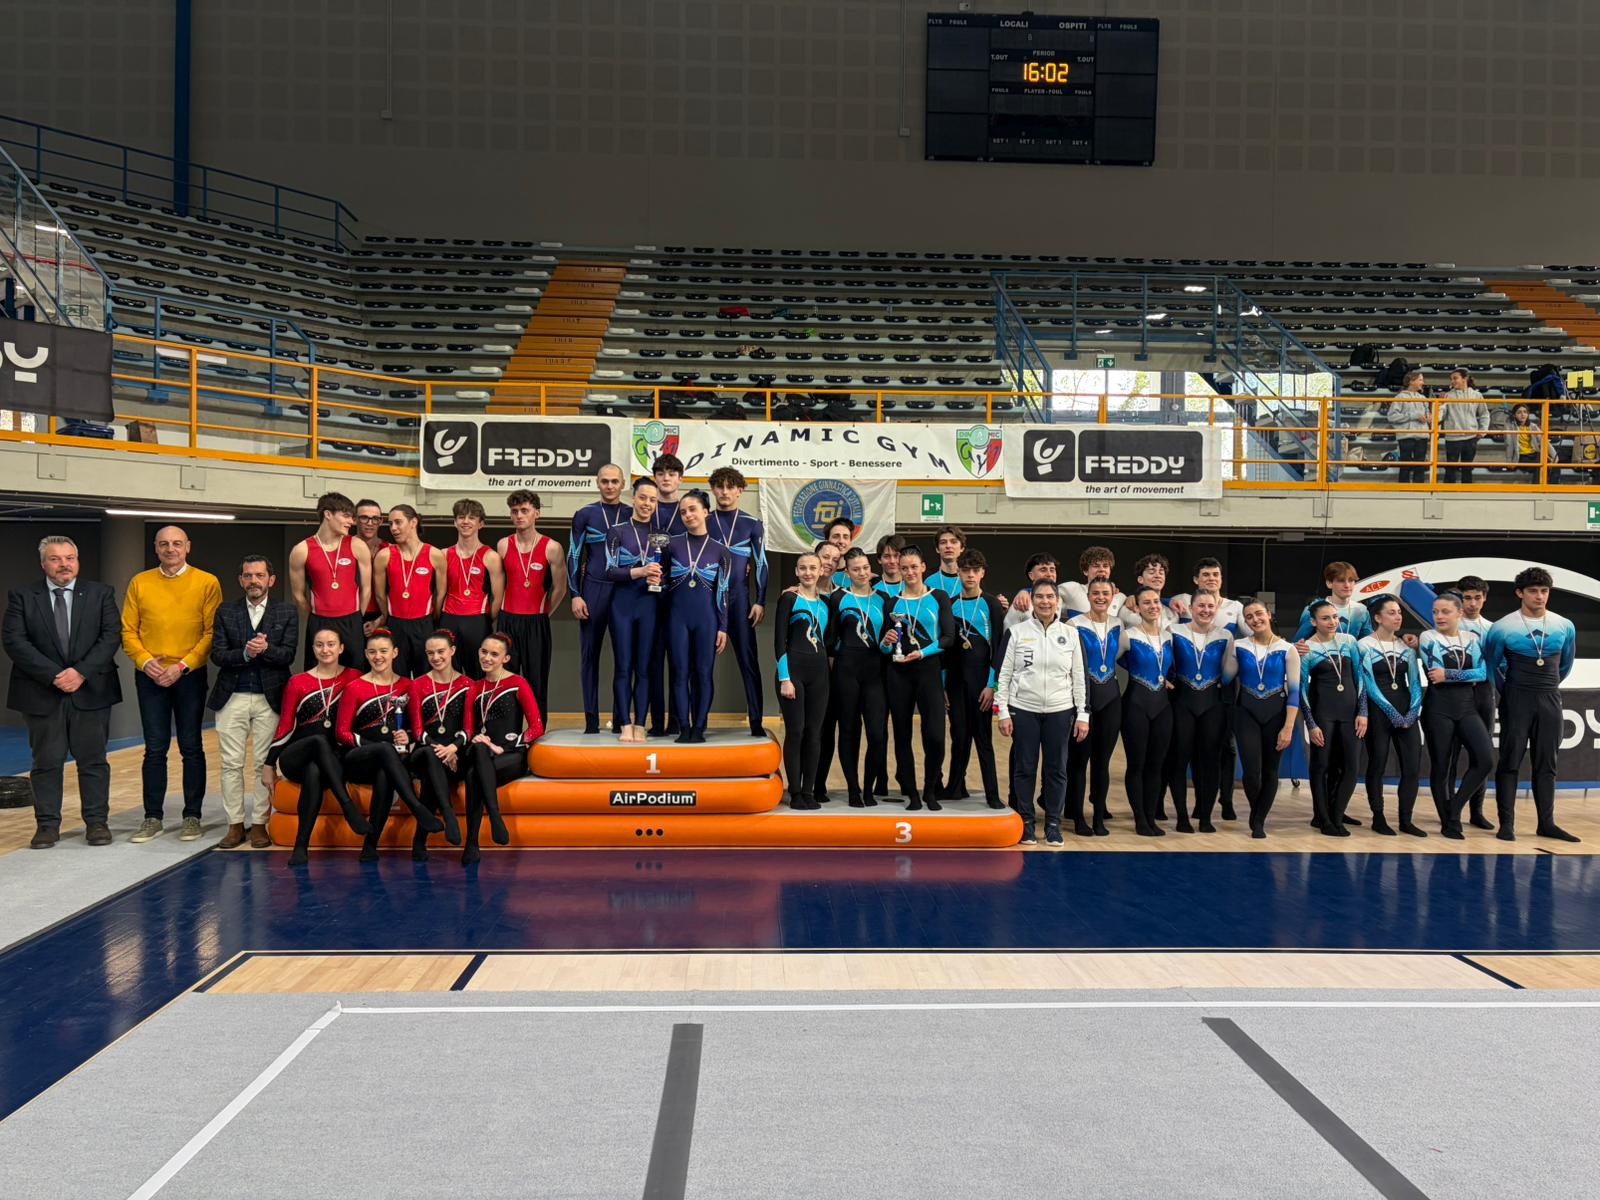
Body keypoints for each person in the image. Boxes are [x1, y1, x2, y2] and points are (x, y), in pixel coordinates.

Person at [3, 535, 122, 849]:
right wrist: (55, 675)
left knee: (94, 761)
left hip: (91, 690)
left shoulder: (100, 594)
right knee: (46, 762)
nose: (64, 564)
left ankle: (97, 823)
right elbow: (15, 642)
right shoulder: (23, 596)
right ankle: (47, 826)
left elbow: (110, 637)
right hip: (43, 693)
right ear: (44, 564)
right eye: (56, 559)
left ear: (77, 562)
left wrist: (80, 671)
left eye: (70, 558)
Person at [122, 525, 223, 844]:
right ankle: (152, 817)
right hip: (150, 674)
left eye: (177, 543)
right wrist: (145, 661)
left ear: (188, 547)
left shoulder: (207, 582)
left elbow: (211, 633)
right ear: (156, 548)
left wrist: (182, 666)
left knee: (191, 746)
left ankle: (192, 815)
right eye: (164, 544)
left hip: (189, 675)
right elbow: (128, 632)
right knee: (154, 748)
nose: (170, 549)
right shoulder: (140, 582)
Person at [207, 555, 299, 849]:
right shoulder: (226, 610)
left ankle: (260, 823)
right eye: (248, 576)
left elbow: (288, 656)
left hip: (270, 698)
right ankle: (235, 825)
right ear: (241, 580)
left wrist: (265, 649)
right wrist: (245, 654)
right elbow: (218, 655)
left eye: (259, 575)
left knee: (264, 764)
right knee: (231, 764)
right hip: (232, 696)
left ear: (271, 580)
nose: (254, 581)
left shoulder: (286, 611)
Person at [1482, 567, 1579, 842]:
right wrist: (1510, 692)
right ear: (1519, 593)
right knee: (1510, 761)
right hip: (1516, 698)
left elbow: (1565, 665)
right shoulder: (1502, 627)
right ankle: (1507, 824)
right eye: (1533, 591)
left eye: (1544, 591)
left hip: (1549, 697)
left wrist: (1546, 687)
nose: (1540, 596)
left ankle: (1546, 823)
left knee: (1547, 764)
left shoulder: (1564, 625)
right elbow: (1491, 669)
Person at [263, 628, 368, 867]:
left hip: (332, 757)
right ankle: (347, 806)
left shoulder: (355, 678)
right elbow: (285, 726)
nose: (325, 649)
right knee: (317, 742)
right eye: (319, 645)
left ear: (341, 648)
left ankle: (301, 846)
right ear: (313, 649)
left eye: (331, 644)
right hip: (297, 754)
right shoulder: (298, 682)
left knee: (315, 771)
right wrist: (268, 764)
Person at [996, 579, 1088, 845]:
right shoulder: (1016, 632)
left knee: (1056, 769)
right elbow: (1003, 674)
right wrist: (1003, 711)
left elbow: (1079, 677)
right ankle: (1026, 822)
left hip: (1060, 711)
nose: (1045, 602)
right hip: (1024, 709)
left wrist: (1083, 714)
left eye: (1050, 597)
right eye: (1040, 597)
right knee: (1025, 768)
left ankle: (1053, 823)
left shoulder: (1071, 634)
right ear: (1032, 600)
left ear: (1057, 601)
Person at [337, 630, 443, 860]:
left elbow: (417, 727)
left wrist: (409, 737)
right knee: (385, 751)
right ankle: (417, 809)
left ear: (394, 653)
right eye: (372, 652)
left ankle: (371, 844)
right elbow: (342, 732)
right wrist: (371, 745)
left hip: (393, 761)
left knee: (386, 772)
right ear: (366, 654)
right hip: (360, 757)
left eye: (384, 651)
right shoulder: (355, 687)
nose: (378, 656)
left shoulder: (408, 686)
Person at [880, 544, 954, 811]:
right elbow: (885, 648)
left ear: (923, 567)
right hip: (898, 674)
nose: (909, 572)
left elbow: (948, 638)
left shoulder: (939, 597)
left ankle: (931, 790)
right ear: (898, 570)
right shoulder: (892, 603)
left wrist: (922, 653)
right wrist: (887, 643)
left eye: (914, 567)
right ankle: (911, 792)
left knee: (934, 735)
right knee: (901, 735)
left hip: (929, 673)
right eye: (904, 568)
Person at [1170, 557, 1243, 819]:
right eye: (1200, 606)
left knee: (1209, 760)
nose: (1205, 610)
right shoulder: (1174, 631)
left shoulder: (1226, 636)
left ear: (1217, 608)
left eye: (1210, 606)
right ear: (1191, 607)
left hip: (1212, 703)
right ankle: (1181, 815)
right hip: (1183, 702)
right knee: (1180, 759)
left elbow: (1228, 671)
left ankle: (1205, 814)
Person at [463, 632, 545, 864]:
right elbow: (469, 730)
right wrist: (479, 740)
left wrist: (507, 746)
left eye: (494, 654)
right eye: (484, 652)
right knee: (478, 752)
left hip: (511, 756)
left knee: (473, 775)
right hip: (484, 752)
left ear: (506, 658)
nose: (487, 658)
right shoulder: (474, 688)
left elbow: (537, 727)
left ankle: (472, 842)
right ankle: (494, 819)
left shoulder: (517, 683)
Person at [1419, 593, 1493, 840]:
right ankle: (1448, 822)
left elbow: (1482, 673)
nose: (1439, 616)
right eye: (1435, 612)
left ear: (1459, 613)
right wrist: (1462, 674)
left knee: (1485, 760)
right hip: (1438, 708)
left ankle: (1455, 809)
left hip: (1466, 707)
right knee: (1442, 766)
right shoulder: (1428, 637)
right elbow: (1434, 674)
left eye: (1445, 612)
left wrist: (1449, 674)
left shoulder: (1472, 638)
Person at [665, 491, 732, 744]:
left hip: (707, 620)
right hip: (676, 619)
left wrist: (723, 626)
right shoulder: (672, 544)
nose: (688, 515)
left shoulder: (721, 551)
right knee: (680, 673)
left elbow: (724, 591)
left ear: (706, 512)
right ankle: (684, 726)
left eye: (692, 509)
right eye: (683, 512)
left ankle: (700, 726)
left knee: (704, 673)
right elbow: (661, 581)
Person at [708, 467, 770, 737]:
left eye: (730, 487)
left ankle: (756, 721)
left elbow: (761, 564)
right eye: (719, 486)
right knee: (701, 663)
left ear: (740, 490)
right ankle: (697, 722)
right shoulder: (703, 519)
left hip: (740, 600)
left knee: (749, 660)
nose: (724, 492)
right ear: (713, 489)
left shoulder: (751, 523)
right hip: (708, 600)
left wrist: (760, 600)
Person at [1233, 597, 1301, 839]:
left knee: (1271, 770)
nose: (1255, 619)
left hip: (1277, 714)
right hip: (1246, 713)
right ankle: (1257, 813)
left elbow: (1294, 691)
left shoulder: (1287, 649)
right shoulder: (1238, 646)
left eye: (1258, 613)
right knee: (1251, 772)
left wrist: (1288, 727)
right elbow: (1225, 676)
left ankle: (1259, 820)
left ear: (1269, 614)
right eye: (1249, 617)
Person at [1358, 595, 1425, 837]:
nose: (1398, 617)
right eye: (1392, 612)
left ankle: (1406, 819)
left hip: (1407, 711)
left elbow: (1415, 683)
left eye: (1399, 612)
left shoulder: (1406, 647)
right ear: (1377, 617)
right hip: (1379, 711)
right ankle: (1378, 817)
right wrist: (1392, 713)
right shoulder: (1363, 645)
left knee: (1412, 767)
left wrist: (1413, 711)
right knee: (1377, 765)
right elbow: (1368, 685)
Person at [568, 463, 629, 733]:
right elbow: (573, 555)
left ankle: (620, 719)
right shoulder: (585, 514)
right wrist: (575, 594)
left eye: (615, 481)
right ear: (597, 483)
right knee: (589, 657)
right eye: (605, 481)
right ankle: (591, 721)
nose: (610, 486)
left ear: (623, 483)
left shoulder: (632, 513)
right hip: (593, 591)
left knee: (624, 659)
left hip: (624, 593)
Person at [1298, 599, 1366, 837]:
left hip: (1350, 715)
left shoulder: (1349, 642)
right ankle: (1323, 818)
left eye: (1335, 617)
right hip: (1323, 715)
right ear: (1313, 621)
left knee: (1350, 767)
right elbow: (1302, 691)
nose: (1332, 622)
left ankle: (1337, 815)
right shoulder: (1307, 648)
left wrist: (1363, 712)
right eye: (1326, 618)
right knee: (1321, 766)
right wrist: (1311, 724)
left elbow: (1360, 679)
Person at [497, 489, 567, 718]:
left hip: (536, 622)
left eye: (524, 510)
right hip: (508, 621)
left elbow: (560, 588)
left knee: (536, 681)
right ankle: (507, 734)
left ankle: (537, 734)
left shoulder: (552, 547)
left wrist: (543, 613)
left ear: (536, 513)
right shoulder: (503, 545)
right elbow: (498, 585)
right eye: (515, 511)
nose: (519, 515)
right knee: (505, 680)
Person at [944, 549, 1005, 807]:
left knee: (983, 738)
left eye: (975, 571)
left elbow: (998, 647)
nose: (970, 575)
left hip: (982, 680)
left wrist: (992, 686)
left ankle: (992, 794)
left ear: (982, 573)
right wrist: (943, 684)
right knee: (959, 734)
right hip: (956, 680)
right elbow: (945, 648)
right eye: (965, 570)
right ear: (958, 572)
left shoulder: (990, 604)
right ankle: (955, 787)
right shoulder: (949, 603)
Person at [605, 479, 663, 743]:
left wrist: (658, 580)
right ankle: (624, 723)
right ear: (633, 497)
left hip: (648, 605)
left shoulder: (661, 535)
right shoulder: (617, 532)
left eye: (652, 500)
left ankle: (641, 723)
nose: (647, 504)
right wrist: (640, 571)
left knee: (644, 668)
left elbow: (669, 573)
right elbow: (609, 571)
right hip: (622, 606)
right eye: (643, 498)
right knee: (622, 667)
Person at [828, 547, 887, 808]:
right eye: (855, 569)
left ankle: (870, 789)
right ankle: (853, 788)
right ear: (847, 572)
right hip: (846, 671)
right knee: (849, 732)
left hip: (876, 673)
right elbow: (830, 639)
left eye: (865, 568)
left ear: (870, 568)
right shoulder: (838, 598)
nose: (862, 573)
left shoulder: (884, 599)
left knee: (877, 734)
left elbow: (888, 640)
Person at [288, 492, 372, 670]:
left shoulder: (357, 545)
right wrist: (315, 619)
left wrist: (356, 617)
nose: (351, 522)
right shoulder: (302, 550)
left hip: (352, 621)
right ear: (327, 514)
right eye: (346, 516)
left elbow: (366, 589)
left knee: (355, 674)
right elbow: (298, 595)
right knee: (318, 674)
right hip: (320, 621)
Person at [1067, 578, 1123, 836]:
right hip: (1084, 699)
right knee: (1079, 762)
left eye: (1105, 593)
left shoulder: (1117, 624)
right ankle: (1078, 817)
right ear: (1088, 595)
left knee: (1102, 763)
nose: (1101, 597)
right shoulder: (1074, 625)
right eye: (1096, 593)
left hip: (1111, 698)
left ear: (1112, 596)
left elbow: (1121, 655)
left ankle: (1099, 816)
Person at [406, 630, 469, 860]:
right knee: (432, 759)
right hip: (424, 752)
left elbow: (469, 727)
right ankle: (448, 815)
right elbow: (417, 730)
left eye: (441, 651)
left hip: (453, 754)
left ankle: (419, 841)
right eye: (430, 653)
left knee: (433, 778)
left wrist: (453, 748)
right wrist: (442, 750)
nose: (436, 657)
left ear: (452, 651)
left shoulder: (467, 684)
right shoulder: (418, 685)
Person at [1118, 586, 1176, 837]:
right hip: (1135, 705)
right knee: (1137, 764)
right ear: (1137, 608)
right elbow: (1109, 661)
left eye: (1156, 602)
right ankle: (1140, 818)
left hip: (1163, 707)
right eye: (1147, 603)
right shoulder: (1128, 636)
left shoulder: (1168, 637)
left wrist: (1166, 679)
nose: (1153, 606)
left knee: (1156, 765)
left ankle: (1152, 816)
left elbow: (1168, 668)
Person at [775, 552, 831, 809]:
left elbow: (826, 642)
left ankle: (809, 790)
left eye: (813, 568)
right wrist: (785, 678)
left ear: (821, 571)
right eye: (803, 568)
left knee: (814, 734)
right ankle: (795, 791)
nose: (808, 572)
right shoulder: (789, 598)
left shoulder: (825, 604)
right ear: (796, 572)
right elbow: (779, 642)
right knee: (796, 732)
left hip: (819, 674)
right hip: (793, 673)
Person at [373, 505, 446, 677]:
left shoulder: (434, 554)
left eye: (398, 522)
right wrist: (387, 615)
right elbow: (379, 594)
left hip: (424, 624)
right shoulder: (385, 555)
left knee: (426, 676)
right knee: (397, 677)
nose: (393, 528)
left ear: (413, 522)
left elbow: (440, 594)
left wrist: (431, 619)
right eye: (390, 524)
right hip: (396, 623)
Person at [440, 498, 504, 679]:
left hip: (477, 619)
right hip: (449, 618)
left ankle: (477, 707)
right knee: (448, 672)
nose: (465, 522)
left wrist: (485, 619)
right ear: (455, 522)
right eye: (461, 517)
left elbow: (498, 597)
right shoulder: (444, 554)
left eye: (471, 518)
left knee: (479, 672)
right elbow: (439, 593)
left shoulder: (490, 556)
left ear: (481, 523)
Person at [647, 453, 687, 736]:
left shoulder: (688, 510)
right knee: (651, 659)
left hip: (678, 591)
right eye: (660, 473)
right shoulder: (646, 508)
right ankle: (657, 722)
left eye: (671, 473)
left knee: (678, 659)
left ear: (680, 478)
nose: (666, 478)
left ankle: (678, 719)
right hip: (647, 591)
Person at [1454, 575, 1497, 830]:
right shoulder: (1449, 624)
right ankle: (1448, 809)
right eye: (1467, 597)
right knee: (1450, 754)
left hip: (1484, 693)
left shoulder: (1493, 629)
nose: (1472, 603)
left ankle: (1476, 812)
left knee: (1482, 756)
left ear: (1485, 599)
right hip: (1454, 693)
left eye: (1477, 598)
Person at [1293, 561, 1374, 648]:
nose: (1347, 585)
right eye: (1341, 581)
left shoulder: (1361, 610)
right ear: (1329, 583)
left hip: (1352, 659)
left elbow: (1367, 643)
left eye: (1351, 580)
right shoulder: (1313, 609)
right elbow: (1298, 644)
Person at [1439, 369, 1490, 484]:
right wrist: (1441, 404)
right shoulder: (1447, 396)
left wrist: (1483, 430)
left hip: (1471, 437)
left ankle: (1466, 495)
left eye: (1455, 378)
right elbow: (1439, 417)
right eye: (1451, 379)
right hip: (1453, 438)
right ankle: (1447, 494)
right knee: (1450, 469)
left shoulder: (1477, 395)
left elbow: (1484, 414)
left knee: (1467, 469)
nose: (1452, 381)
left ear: (1464, 379)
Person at [1386, 369, 1432, 484]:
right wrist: (1413, 416)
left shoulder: (1423, 399)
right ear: (1412, 381)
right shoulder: (1400, 397)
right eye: (1420, 380)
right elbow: (1392, 417)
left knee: (1420, 464)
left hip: (1422, 435)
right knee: (1405, 464)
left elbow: (1428, 414)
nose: (1423, 382)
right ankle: (1404, 488)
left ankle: (1419, 488)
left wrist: (1429, 418)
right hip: (1406, 436)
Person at [353, 498, 387, 636]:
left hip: (383, 615)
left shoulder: (389, 550)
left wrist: (382, 619)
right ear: (355, 519)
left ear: (381, 521)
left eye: (375, 519)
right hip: (351, 615)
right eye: (364, 518)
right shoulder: (344, 548)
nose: (370, 523)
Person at [1061, 546, 1123, 619]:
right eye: (1096, 566)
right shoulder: (1072, 589)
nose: (1101, 569)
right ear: (1085, 571)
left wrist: (1132, 599)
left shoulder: (1120, 597)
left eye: (1105, 566)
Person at [1003, 552, 1058, 631]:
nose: (1049, 574)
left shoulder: (1062, 597)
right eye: (1043, 570)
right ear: (1031, 575)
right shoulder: (1021, 602)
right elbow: (1008, 635)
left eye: (1052, 570)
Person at [1504, 403, 1554, 484]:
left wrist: (1554, 455)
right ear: (1514, 415)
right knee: (1540, 463)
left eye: (1525, 412)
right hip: (1521, 457)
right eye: (1519, 412)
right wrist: (1509, 461)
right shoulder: (1510, 426)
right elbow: (1509, 444)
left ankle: (1553, 487)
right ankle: (1536, 488)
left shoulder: (1533, 426)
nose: (1522, 414)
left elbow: (1543, 440)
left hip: (1534, 454)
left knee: (1554, 463)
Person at [928, 526, 966, 598]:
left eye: (954, 542)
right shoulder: (927, 579)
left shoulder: (970, 579)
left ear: (962, 548)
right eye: (943, 542)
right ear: (937, 549)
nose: (948, 546)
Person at [823, 516, 855, 589]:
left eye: (845, 537)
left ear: (850, 541)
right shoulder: (816, 571)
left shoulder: (860, 572)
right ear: (827, 540)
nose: (841, 541)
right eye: (836, 536)